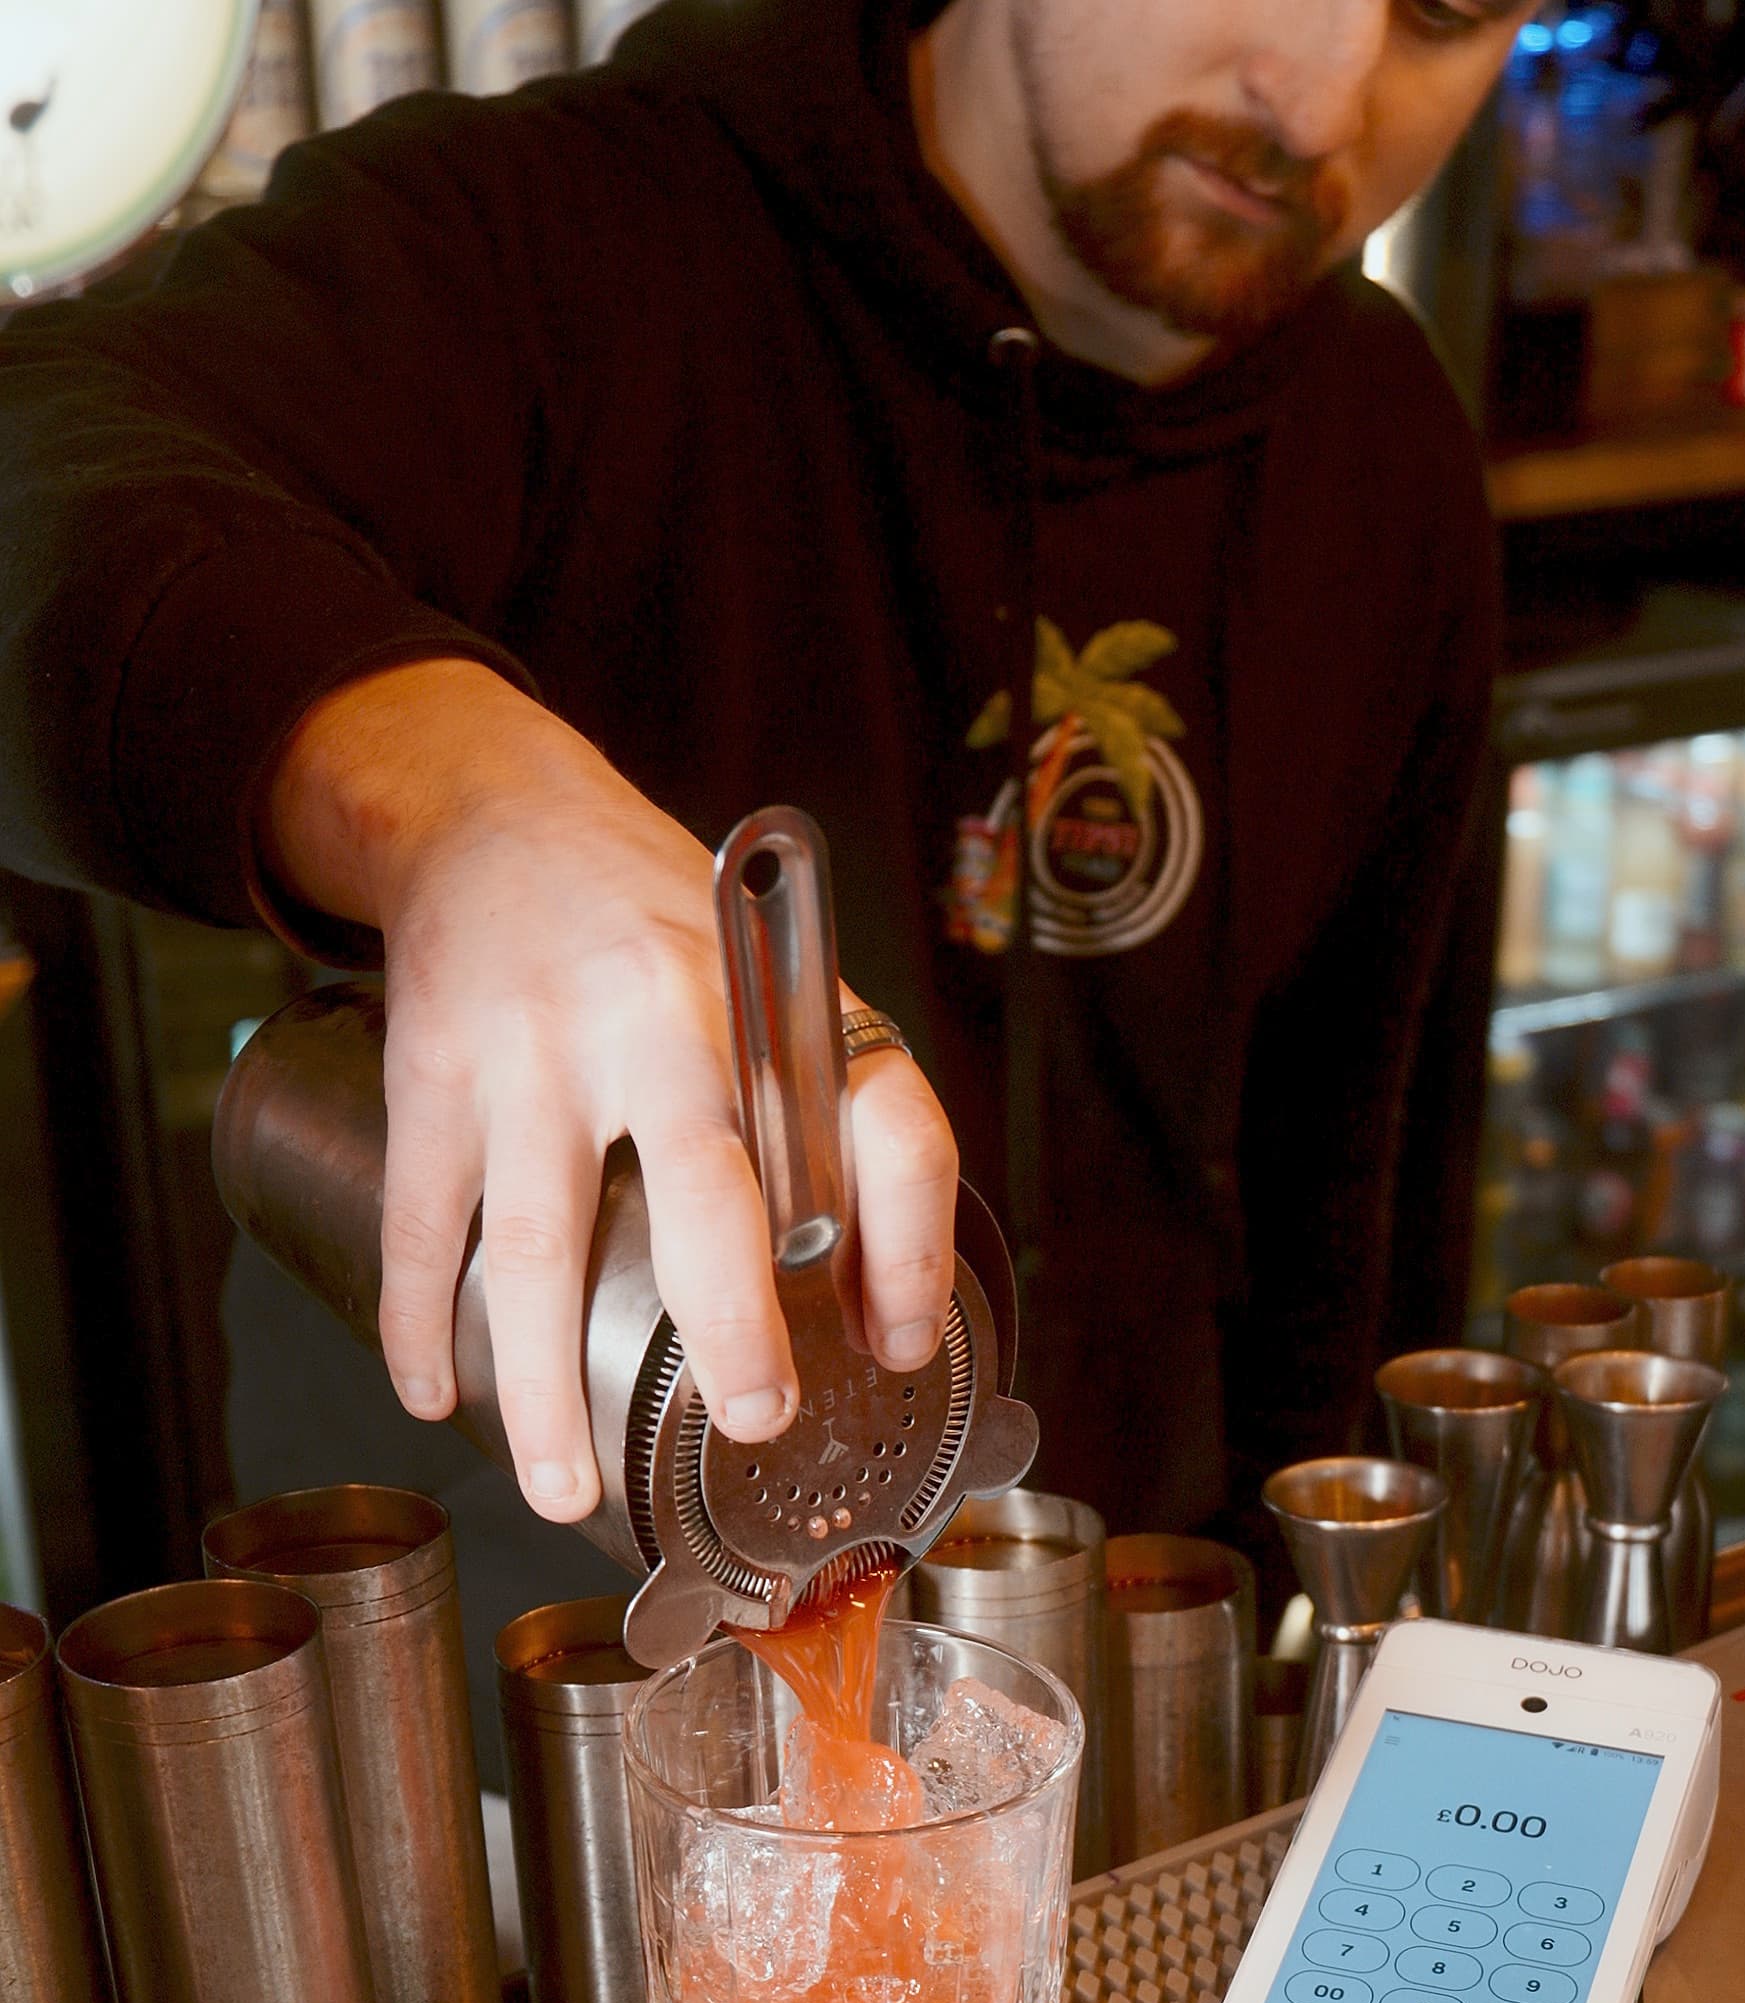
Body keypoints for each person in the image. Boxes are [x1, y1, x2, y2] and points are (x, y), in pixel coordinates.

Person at [0, 0, 1524, 1665]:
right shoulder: (562, 243)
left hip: (1092, 1694)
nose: (1318, 100)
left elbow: (1345, 1197)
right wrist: (441, 786)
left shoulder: (1389, 451)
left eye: (1447, 10)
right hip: (503, 1742)